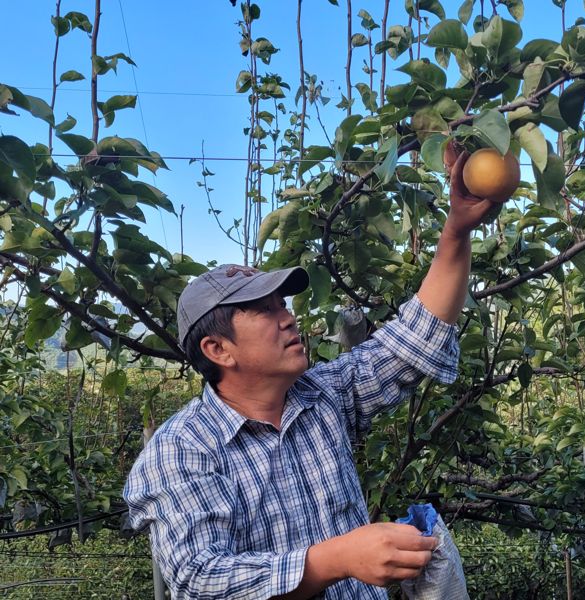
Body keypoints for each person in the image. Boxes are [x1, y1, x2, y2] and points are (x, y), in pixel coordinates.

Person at [123, 150, 499, 598]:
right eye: (264, 310)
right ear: (218, 349)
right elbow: (203, 580)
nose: (286, 318)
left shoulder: (322, 397)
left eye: (283, 304)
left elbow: (414, 340)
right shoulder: (182, 450)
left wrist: (457, 228)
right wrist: (337, 559)